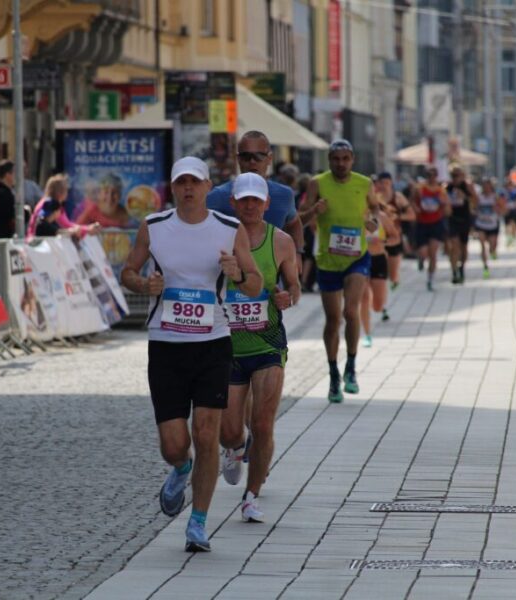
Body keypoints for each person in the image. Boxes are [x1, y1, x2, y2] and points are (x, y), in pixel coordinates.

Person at [120, 156, 263, 552]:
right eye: (181, 182)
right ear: (173, 187)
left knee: (206, 433)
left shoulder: (229, 228)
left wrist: (236, 272)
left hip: (213, 344)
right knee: (173, 444)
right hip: (166, 346)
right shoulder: (154, 227)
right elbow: (127, 272)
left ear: (206, 186)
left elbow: (255, 284)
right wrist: (143, 284)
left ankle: (197, 523)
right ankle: (180, 468)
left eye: (195, 182)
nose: (188, 189)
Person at [219, 172, 300, 523]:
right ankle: (235, 448)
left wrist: (287, 297)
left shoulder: (280, 241)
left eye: (257, 200)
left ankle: (251, 498)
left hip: (267, 342)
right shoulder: (217, 238)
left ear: (267, 204)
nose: (250, 205)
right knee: (230, 429)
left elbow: (295, 287)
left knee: (263, 424)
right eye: (244, 200)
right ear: (233, 203)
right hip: (227, 345)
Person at [299, 139, 379, 403]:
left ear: (352, 159)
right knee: (333, 320)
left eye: (345, 159)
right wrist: (314, 210)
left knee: (350, 310)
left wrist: (373, 221)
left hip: (357, 256)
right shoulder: (317, 183)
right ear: (329, 160)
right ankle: (333, 373)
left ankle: (351, 369)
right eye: (336, 159)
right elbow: (300, 219)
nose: (341, 164)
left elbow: (375, 207)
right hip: (327, 260)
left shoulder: (364, 183)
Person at [207, 130, 306, 271]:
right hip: (230, 281)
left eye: (259, 156)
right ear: (238, 159)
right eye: (246, 156)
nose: (252, 161)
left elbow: (294, 222)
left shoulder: (284, 194)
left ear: (269, 158)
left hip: (273, 281)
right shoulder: (218, 196)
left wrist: (297, 253)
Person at [360, 199, 397, 347]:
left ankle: (375, 310)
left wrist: (384, 243)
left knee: (377, 305)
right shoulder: (355, 216)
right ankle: (367, 334)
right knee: (363, 298)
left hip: (378, 260)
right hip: (360, 260)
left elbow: (395, 236)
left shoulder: (382, 217)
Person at [410, 166, 451, 291]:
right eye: (429, 175)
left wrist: (444, 206)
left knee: (433, 254)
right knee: (424, 252)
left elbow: (447, 209)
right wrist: (415, 209)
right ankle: (421, 258)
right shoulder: (419, 189)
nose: (431, 178)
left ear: (437, 176)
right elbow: (412, 201)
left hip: (435, 223)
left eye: (433, 175)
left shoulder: (441, 190)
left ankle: (430, 279)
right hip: (422, 223)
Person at [27, 174, 98, 239]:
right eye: (66, 190)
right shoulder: (49, 204)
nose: (67, 193)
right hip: (38, 243)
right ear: (60, 191)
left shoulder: (51, 203)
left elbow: (66, 226)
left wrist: (85, 229)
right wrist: (87, 229)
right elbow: (65, 225)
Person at [376, 172, 413, 290]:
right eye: (381, 183)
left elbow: (412, 215)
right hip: (378, 237)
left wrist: (397, 216)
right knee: (380, 271)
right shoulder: (373, 197)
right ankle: (381, 294)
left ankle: (393, 285)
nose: (384, 186)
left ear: (391, 183)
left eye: (386, 183)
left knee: (393, 274)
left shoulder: (398, 197)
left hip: (394, 237)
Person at [445, 165, 477, 285]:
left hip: (465, 219)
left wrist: (466, 197)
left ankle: (462, 268)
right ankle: (454, 272)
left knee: (463, 248)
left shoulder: (467, 186)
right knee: (454, 247)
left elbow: (476, 200)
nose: (455, 178)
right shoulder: (447, 187)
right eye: (453, 176)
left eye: (458, 175)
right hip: (453, 220)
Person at [474, 178, 505, 279]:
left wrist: (498, 209)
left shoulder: (495, 197)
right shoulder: (479, 197)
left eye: (488, 186)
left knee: (492, 247)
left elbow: (503, 209)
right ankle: (485, 266)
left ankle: (493, 252)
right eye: (485, 186)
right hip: (481, 224)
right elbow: (473, 207)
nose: (486, 188)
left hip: (492, 225)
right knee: (482, 245)